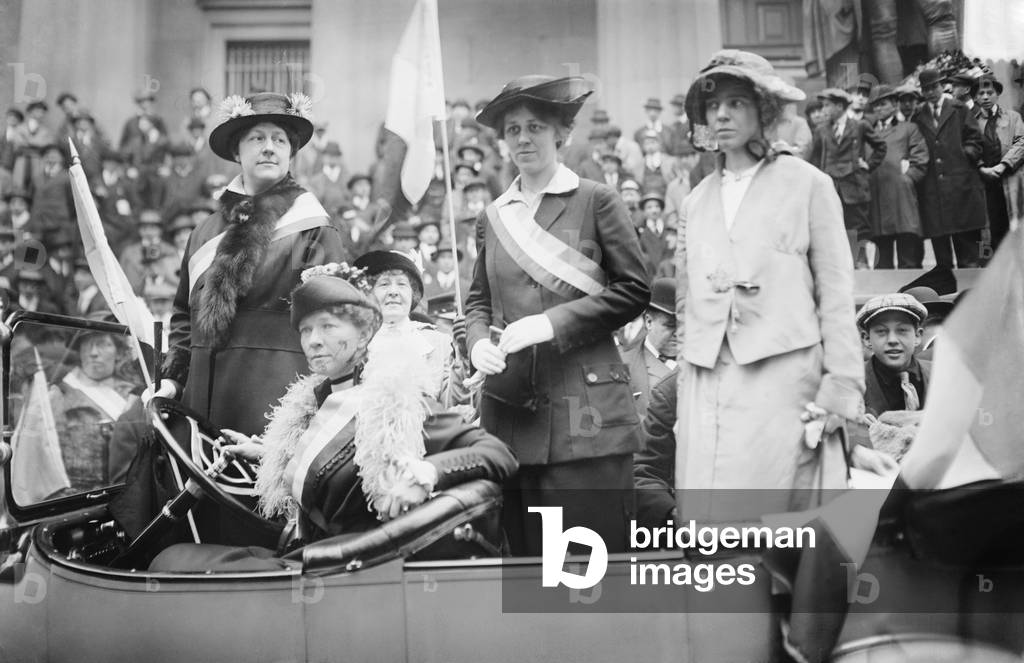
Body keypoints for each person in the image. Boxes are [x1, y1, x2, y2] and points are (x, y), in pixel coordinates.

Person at [148, 269, 517, 571]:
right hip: (305, 555)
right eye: (306, 330)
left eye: (328, 327)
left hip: (345, 569)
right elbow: (329, 462)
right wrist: (262, 451)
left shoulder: (392, 402)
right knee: (170, 556)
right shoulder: (320, 399)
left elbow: (497, 454)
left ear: (363, 336)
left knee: (168, 562)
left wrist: (426, 473)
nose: (314, 341)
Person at [466, 75, 650, 554]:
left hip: (586, 416)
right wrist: (477, 342)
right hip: (512, 416)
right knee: (529, 573)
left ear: (561, 134)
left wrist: (550, 324)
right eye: (512, 130)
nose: (523, 139)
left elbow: (634, 290)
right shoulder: (493, 216)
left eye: (535, 127)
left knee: (593, 568)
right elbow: (477, 300)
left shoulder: (595, 199)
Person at [677, 50, 865, 520]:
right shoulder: (695, 202)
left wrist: (839, 388)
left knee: (778, 527)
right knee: (712, 527)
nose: (721, 114)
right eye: (712, 105)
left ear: (763, 110)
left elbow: (837, 295)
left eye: (736, 102)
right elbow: (687, 303)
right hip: (708, 383)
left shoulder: (809, 185)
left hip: (785, 379)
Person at [150, 92, 346, 440]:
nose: (268, 147)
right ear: (237, 152)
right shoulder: (203, 232)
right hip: (200, 406)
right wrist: (172, 380)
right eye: (257, 138)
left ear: (291, 153)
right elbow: (183, 314)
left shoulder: (314, 227)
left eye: (279, 139)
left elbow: (332, 324)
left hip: (274, 409)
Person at [354, 250, 460, 406]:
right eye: (384, 284)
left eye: (402, 284)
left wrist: (462, 363)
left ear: (413, 294)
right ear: (368, 294)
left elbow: (451, 405)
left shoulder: (438, 343)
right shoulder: (355, 344)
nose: (394, 292)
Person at [49, 314, 140, 491]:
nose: (93, 353)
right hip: (76, 498)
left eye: (102, 343)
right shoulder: (59, 395)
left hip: (125, 495)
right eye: (87, 345)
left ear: (118, 351)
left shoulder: (135, 396)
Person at [913, 68, 987, 268]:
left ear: (941, 86)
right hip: (933, 188)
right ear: (922, 91)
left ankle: (969, 289)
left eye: (934, 87)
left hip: (961, 184)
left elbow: (975, 138)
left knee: (967, 246)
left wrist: (965, 154)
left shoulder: (958, 108)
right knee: (941, 248)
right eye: (926, 89)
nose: (930, 92)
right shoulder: (918, 114)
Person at [809, 88, 887, 268]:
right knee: (832, 226)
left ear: (839, 106)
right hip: (830, 186)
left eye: (828, 105)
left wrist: (869, 164)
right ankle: (839, 265)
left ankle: (859, 262)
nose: (824, 110)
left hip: (854, 185)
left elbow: (880, 146)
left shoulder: (859, 125)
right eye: (823, 106)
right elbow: (814, 157)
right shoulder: (821, 130)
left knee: (858, 227)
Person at [867, 84, 929, 269]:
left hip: (903, 200)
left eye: (883, 103)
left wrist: (907, 179)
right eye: (875, 105)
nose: (878, 108)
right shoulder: (868, 131)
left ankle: (909, 297)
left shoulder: (909, 129)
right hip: (877, 200)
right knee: (882, 264)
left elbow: (920, 160)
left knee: (908, 260)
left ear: (895, 104)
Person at [856, 293, 930, 418]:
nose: (892, 340)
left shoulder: (942, 375)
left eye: (902, 330)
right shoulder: (850, 383)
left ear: (917, 336)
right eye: (881, 331)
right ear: (866, 338)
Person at [975, 73, 1024, 257]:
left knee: (1013, 225)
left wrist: (1003, 166)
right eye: (981, 93)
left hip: (1010, 180)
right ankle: (986, 269)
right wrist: (981, 168)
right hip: (984, 183)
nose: (986, 97)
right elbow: (969, 147)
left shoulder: (1012, 118)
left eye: (990, 92)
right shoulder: (972, 121)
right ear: (976, 97)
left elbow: (1021, 142)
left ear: (997, 94)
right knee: (986, 230)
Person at [620, 277, 676, 418]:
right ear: (649, 322)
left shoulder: (701, 364)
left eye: (685, 325)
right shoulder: (620, 362)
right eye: (671, 325)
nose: (680, 333)